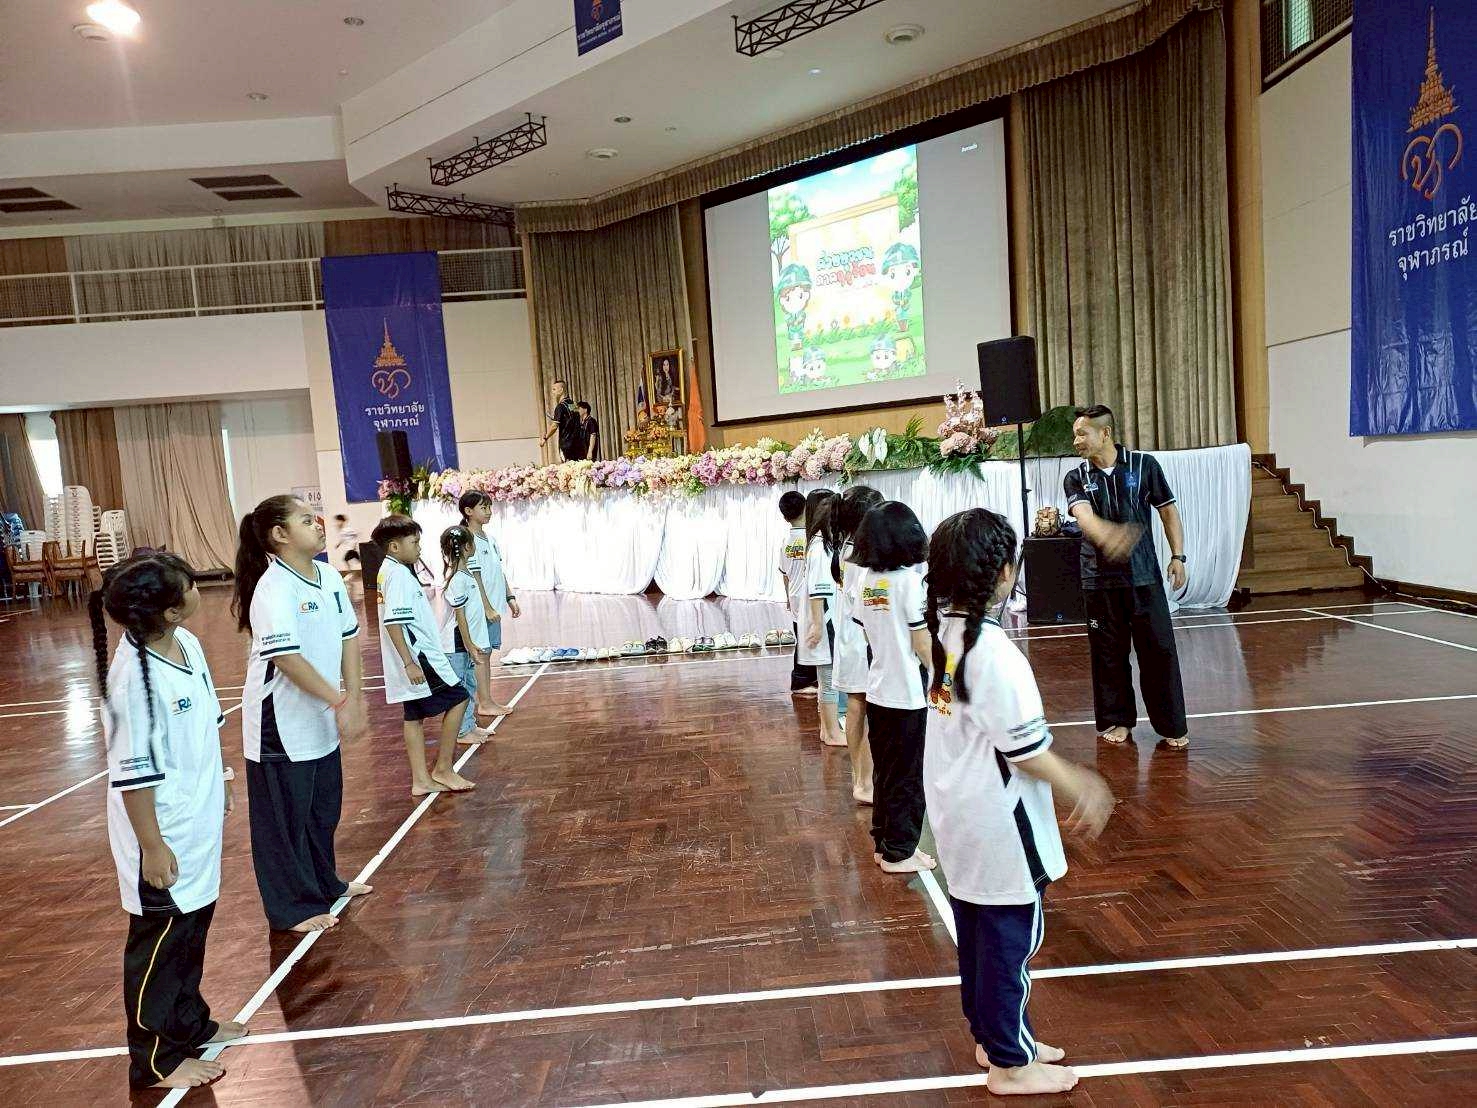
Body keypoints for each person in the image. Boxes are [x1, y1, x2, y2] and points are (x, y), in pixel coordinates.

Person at [923, 508, 1115, 1095]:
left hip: (958, 813)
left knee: (979, 938)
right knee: (1010, 943)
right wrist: (1082, 783)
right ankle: (1010, 1063)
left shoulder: (944, 634)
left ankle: (998, 1036)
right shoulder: (996, 654)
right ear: (1004, 572)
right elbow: (1027, 752)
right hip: (998, 823)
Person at [91, 553, 247, 1091]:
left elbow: (206, 722)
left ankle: (190, 1025)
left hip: (195, 818)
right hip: (161, 834)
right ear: (172, 611)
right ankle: (154, 1060)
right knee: (159, 944)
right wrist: (152, 847)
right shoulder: (134, 683)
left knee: (192, 930)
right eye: (190, 586)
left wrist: (222, 777)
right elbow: (132, 778)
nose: (199, 589)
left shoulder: (187, 645)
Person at [234, 495, 372, 934]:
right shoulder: (274, 588)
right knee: (283, 821)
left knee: (322, 809)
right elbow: (287, 659)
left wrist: (353, 696)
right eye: (305, 520)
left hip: (321, 714)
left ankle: (325, 884)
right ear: (280, 534)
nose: (318, 525)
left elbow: (349, 636)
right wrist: (339, 701)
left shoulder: (328, 576)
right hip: (280, 723)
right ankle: (290, 908)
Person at [1064, 405, 1190, 750]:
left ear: (1105, 433)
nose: (1076, 441)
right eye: (1075, 435)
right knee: (1108, 655)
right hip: (1098, 582)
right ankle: (1116, 720)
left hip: (1144, 577)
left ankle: (1171, 724)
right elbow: (1082, 515)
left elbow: (1168, 511)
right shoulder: (1075, 476)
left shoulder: (1144, 465)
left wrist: (1178, 556)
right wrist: (1107, 534)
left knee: (1159, 651)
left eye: (1082, 434)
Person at [848, 501, 934, 873]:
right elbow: (921, 643)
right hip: (908, 695)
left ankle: (884, 842)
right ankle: (900, 851)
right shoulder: (909, 582)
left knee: (886, 771)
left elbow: (870, 635)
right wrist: (945, 678)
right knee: (908, 776)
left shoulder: (867, 581)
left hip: (879, 690)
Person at [372, 514, 476, 797]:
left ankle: (420, 779)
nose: (419, 548)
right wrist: (409, 662)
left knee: (414, 715)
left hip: (411, 657)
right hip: (420, 657)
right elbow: (394, 622)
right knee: (460, 697)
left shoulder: (389, 570)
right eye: (414, 542)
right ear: (395, 547)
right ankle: (443, 768)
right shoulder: (398, 575)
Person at [830, 485, 884, 805]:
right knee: (862, 706)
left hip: (851, 635)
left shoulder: (847, 545)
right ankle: (863, 781)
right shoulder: (860, 553)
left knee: (857, 705)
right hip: (860, 636)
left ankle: (860, 777)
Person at [439, 525, 504, 744]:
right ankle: (461, 731)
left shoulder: (466, 575)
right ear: (468, 547)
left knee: (470, 685)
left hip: (467, 644)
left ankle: (469, 725)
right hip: (457, 645)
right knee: (460, 689)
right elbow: (460, 618)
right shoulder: (457, 579)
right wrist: (469, 645)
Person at [456, 491, 518, 718]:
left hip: (493, 607)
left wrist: (509, 597)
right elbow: (475, 576)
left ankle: (486, 700)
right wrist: (486, 607)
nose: (489, 512)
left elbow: (498, 571)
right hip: (479, 610)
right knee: (481, 654)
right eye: (483, 508)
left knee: (487, 652)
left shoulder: (489, 539)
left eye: (490, 507)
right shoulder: (467, 541)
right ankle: (484, 702)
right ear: (468, 511)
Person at [800, 489, 845, 747]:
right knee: (828, 679)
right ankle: (831, 732)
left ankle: (826, 729)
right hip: (826, 622)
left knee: (826, 678)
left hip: (825, 620)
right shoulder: (820, 547)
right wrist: (818, 626)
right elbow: (819, 592)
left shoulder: (820, 543)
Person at [776, 490, 816, 694]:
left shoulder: (786, 542)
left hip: (794, 595)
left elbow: (785, 574)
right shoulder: (813, 540)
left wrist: (787, 598)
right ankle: (802, 680)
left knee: (802, 637)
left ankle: (806, 678)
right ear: (808, 509)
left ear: (785, 517)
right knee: (812, 638)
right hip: (811, 597)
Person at [541, 379, 583, 462]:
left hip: (566, 444)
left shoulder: (560, 407)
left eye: (554, 389)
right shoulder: (572, 404)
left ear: (561, 390)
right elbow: (574, 418)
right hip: (577, 443)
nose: (553, 392)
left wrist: (545, 438)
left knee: (568, 467)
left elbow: (554, 426)